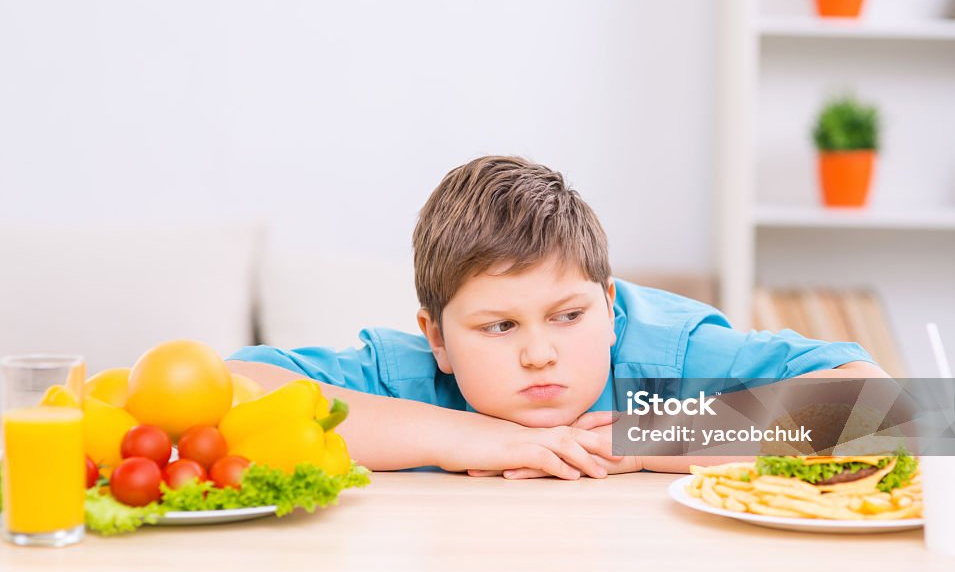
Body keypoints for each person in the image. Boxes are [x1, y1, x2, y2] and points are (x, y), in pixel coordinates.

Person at [228, 155, 888, 479]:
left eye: (568, 315)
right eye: (498, 327)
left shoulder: (666, 356)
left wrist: (662, 435)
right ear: (439, 340)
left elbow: (903, 412)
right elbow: (226, 395)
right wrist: (457, 437)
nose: (540, 353)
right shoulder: (408, 376)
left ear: (607, 306)